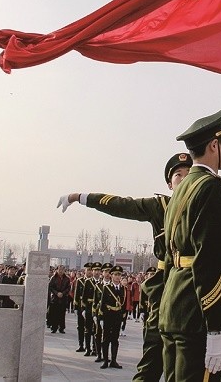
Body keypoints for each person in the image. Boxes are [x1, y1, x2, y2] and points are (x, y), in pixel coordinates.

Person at [57, 151, 194, 382]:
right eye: (178, 175)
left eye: (189, 173)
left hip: (194, 287)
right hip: (165, 286)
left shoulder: (206, 207)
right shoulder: (159, 206)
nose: (184, 178)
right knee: (153, 355)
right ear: (169, 184)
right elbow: (120, 205)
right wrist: (79, 197)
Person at [160, 108, 221, 382]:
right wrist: (216, 328)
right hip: (199, 315)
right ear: (214, 145)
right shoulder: (212, 187)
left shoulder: (182, 187)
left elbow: (172, 255)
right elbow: (210, 259)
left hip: (175, 306)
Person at [99, 265, 126, 369]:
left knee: (115, 339)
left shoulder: (123, 289)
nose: (117, 277)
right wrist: (101, 318)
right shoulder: (107, 288)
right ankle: (106, 361)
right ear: (111, 275)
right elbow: (102, 304)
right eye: (115, 274)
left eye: (119, 275)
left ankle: (113, 361)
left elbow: (123, 305)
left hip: (117, 317)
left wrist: (123, 318)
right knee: (106, 338)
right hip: (108, 315)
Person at [73, 263, 91, 353]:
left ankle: (90, 347)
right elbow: (76, 294)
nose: (89, 272)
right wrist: (75, 307)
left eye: (91, 270)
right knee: (80, 326)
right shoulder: (80, 281)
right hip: (81, 306)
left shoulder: (93, 282)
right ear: (85, 271)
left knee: (90, 327)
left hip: (90, 306)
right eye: (88, 270)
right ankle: (81, 344)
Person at [48, 264, 71, 333]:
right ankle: (54, 327)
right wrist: (56, 293)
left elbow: (68, 288)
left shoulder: (67, 279)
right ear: (57, 270)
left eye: (62, 270)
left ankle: (61, 328)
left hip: (63, 299)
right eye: (59, 269)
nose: (61, 271)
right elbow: (50, 287)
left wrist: (63, 293)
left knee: (62, 314)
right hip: (55, 298)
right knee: (54, 314)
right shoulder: (53, 278)